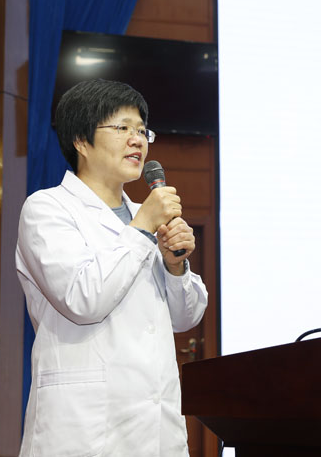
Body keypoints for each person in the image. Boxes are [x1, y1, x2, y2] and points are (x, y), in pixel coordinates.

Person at [15, 79, 208, 456]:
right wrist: (142, 228)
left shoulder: (144, 216)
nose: (137, 140)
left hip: (156, 428)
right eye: (122, 128)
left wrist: (175, 267)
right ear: (81, 140)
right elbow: (83, 299)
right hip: (84, 429)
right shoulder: (47, 209)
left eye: (142, 130)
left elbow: (186, 317)